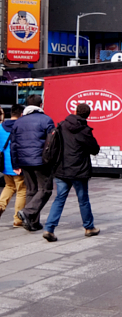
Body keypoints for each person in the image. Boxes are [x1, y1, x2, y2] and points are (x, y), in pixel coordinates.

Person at [42, 104, 101, 242]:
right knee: (83, 199)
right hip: (79, 171)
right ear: (87, 115)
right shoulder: (85, 130)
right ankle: (89, 227)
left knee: (59, 199)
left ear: (74, 112)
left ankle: (49, 228)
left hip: (61, 168)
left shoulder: (62, 126)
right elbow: (95, 149)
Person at [11, 94, 55, 232]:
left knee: (31, 190)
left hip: (23, 161)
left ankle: (32, 223)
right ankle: (28, 212)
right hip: (41, 161)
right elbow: (52, 142)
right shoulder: (46, 120)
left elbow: (13, 144)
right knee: (46, 189)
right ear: (41, 105)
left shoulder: (18, 122)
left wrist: (15, 164)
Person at [0, 104, 26, 227]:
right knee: (21, 191)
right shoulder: (21, 127)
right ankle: (18, 219)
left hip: (5, 165)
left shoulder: (1, 127)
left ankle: (0, 206)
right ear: (21, 114)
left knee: (9, 186)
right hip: (18, 165)